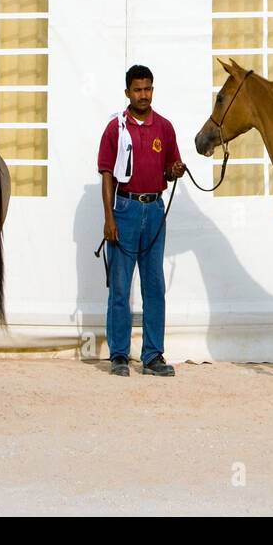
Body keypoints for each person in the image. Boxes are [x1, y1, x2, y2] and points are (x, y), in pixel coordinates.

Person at [97, 65, 186, 377]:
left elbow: (167, 168)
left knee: (154, 285)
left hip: (154, 209)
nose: (143, 94)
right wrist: (109, 217)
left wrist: (174, 171)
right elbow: (107, 174)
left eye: (148, 88)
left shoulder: (165, 127)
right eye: (138, 89)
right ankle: (119, 354)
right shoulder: (116, 129)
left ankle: (152, 355)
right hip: (125, 209)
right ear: (127, 93)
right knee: (120, 286)